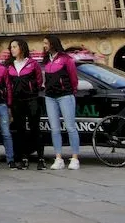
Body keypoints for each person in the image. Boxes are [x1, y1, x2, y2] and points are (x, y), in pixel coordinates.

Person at [42, 35, 80, 170]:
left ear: (53, 44)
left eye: (46, 43)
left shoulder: (66, 59)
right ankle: (58, 158)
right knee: (55, 128)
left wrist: (72, 91)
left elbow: (73, 78)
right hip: (50, 97)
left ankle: (75, 158)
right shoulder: (46, 60)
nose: (44, 45)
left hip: (65, 95)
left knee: (70, 127)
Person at [6, 37, 45, 170]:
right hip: (17, 101)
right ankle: (24, 157)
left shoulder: (32, 63)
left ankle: (41, 158)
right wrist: (10, 104)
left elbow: (39, 81)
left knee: (35, 128)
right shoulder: (9, 65)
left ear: (22, 48)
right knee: (20, 130)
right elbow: (9, 87)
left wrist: (33, 90)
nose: (12, 50)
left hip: (31, 99)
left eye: (14, 47)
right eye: (11, 47)